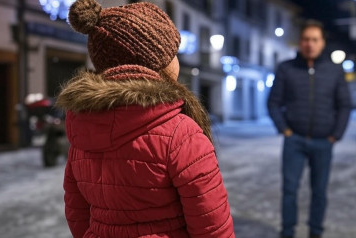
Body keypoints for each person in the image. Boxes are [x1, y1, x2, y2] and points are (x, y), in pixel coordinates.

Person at [56, 1, 235, 237]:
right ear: (156, 62)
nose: (177, 61)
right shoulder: (181, 133)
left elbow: (76, 210)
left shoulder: (83, 127)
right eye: (173, 53)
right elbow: (210, 223)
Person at [267, 20, 351, 238]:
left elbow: (344, 105)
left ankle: (315, 232)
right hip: (294, 139)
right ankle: (287, 232)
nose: (309, 44)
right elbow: (274, 102)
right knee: (289, 190)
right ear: (300, 42)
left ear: (322, 43)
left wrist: (336, 135)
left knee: (320, 192)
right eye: (305, 39)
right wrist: (284, 129)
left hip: (324, 141)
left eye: (314, 40)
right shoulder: (286, 69)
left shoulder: (334, 71)